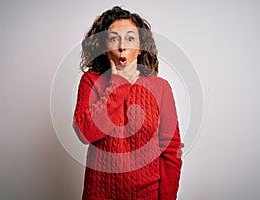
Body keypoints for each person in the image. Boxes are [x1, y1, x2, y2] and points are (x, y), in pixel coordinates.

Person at [72, 6, 183, 200]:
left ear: (140, 47)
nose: (122, 46)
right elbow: (85, 133)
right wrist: (118, 84)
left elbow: (171, 152)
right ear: (104, 47)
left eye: (130, 38)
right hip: (99, 194)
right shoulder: (91, 80)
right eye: (114, 38)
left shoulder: (160, 87)